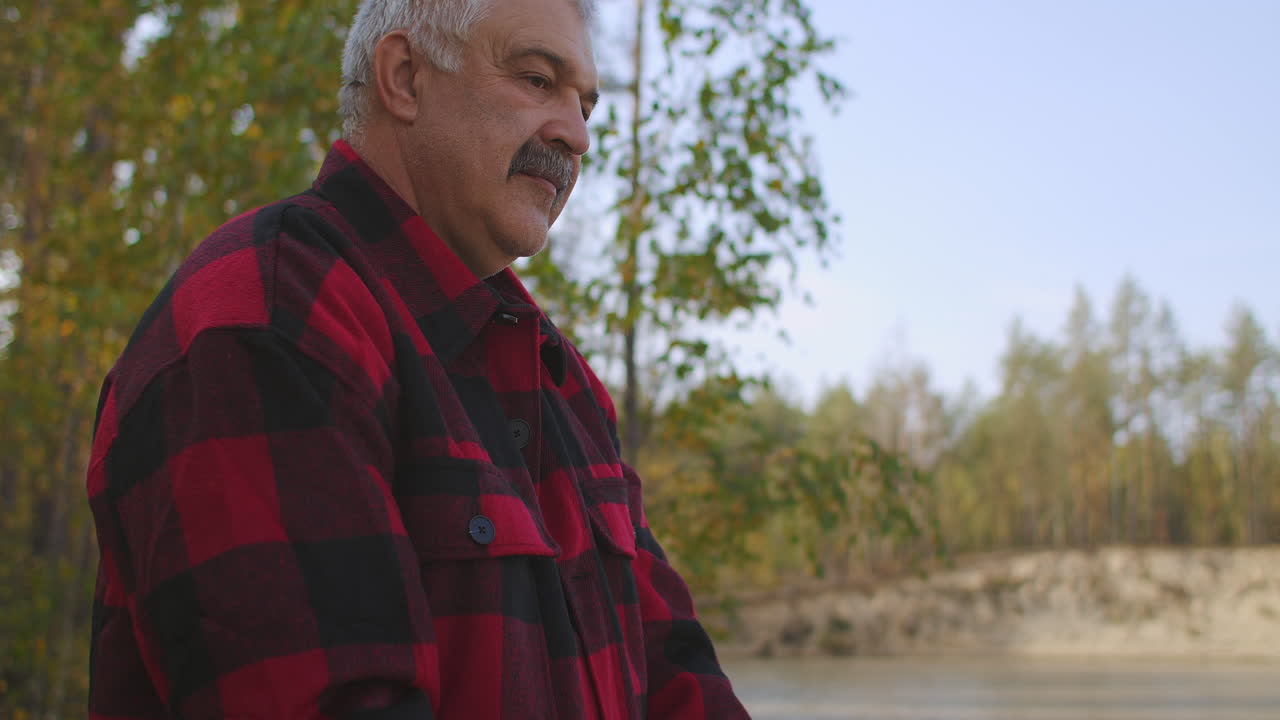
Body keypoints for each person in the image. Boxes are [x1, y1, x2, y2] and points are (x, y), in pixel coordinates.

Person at [85, 0, 751, 718]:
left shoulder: (565, 383)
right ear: (404, 77)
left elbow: (680, 678)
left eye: (585, 104)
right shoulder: (270, 317)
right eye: (535, 79)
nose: (577, 134)